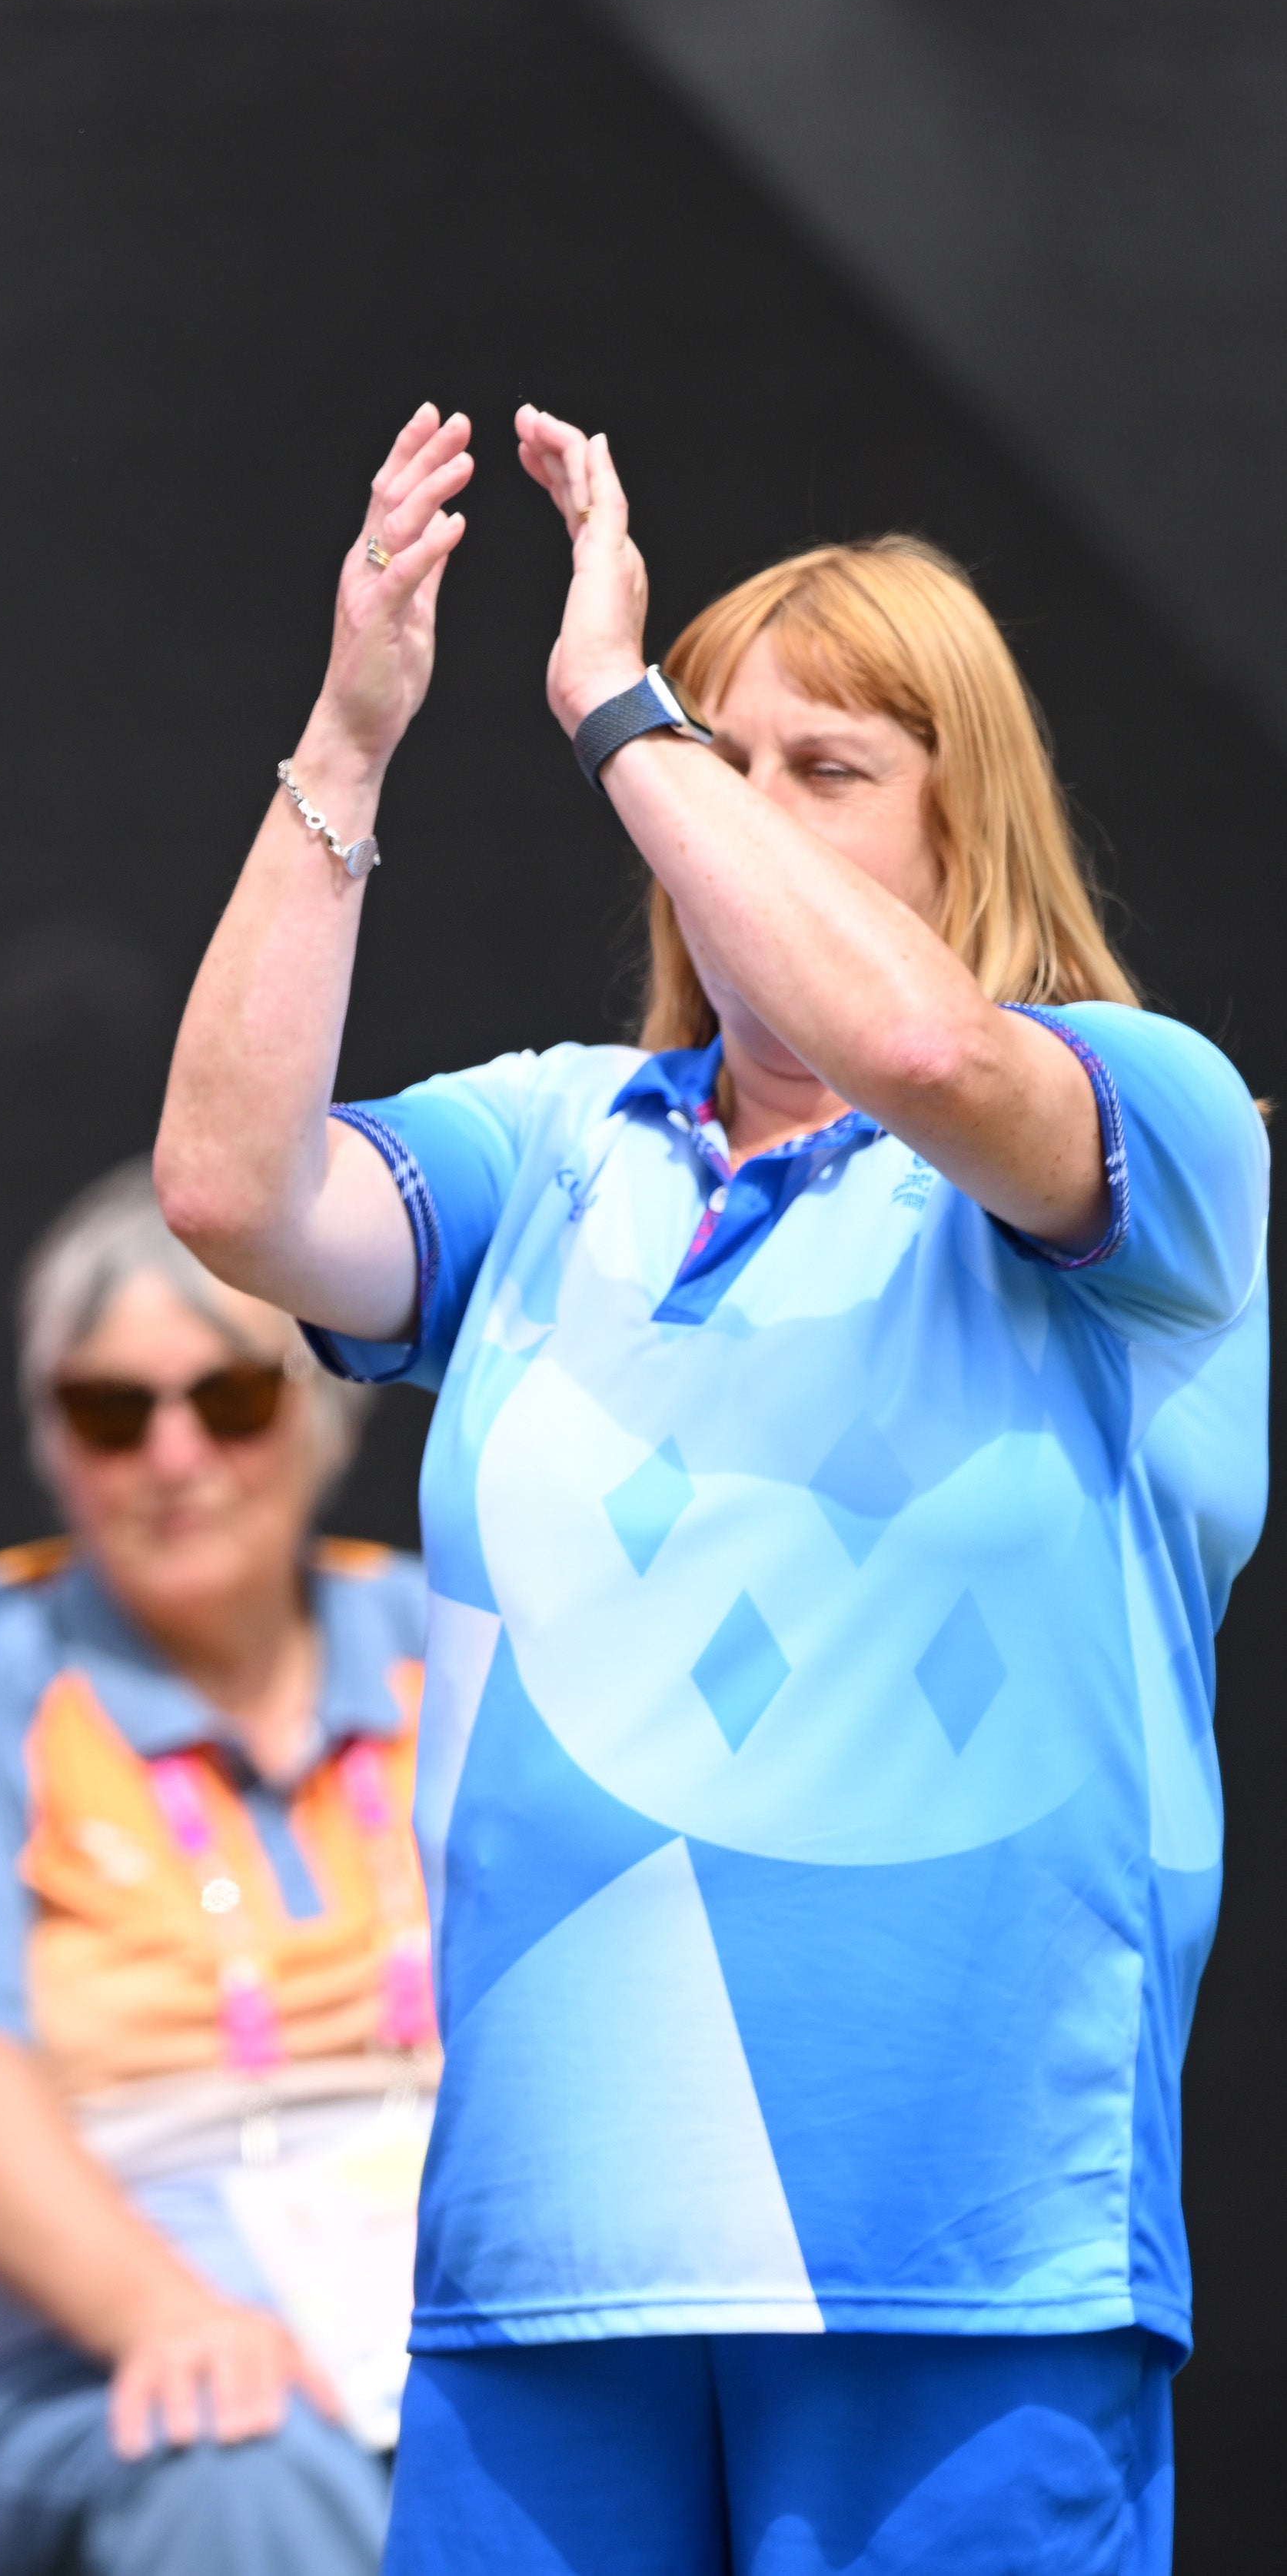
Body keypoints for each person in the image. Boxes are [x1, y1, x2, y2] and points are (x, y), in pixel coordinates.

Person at [158, 404, 1266, 2574]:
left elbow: (936, 1058)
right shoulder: (556, 1136)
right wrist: (352, 736)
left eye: (822, 770)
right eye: (711, 762)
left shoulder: (1163, 1113)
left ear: (970, 840)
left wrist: (616, 709)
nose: (726, 812)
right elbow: (227, 1187)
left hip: (962, 2254)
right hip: (549, 2262)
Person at [0, 1164, 431, 2576]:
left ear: (321, 1412)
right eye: (115, 1413)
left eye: (229, 1399)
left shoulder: (441, 1640)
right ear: (53, 1441)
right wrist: (170, 2314)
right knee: (241, 2463)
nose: (176, 1458)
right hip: (90, 2373)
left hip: (436, 2331)